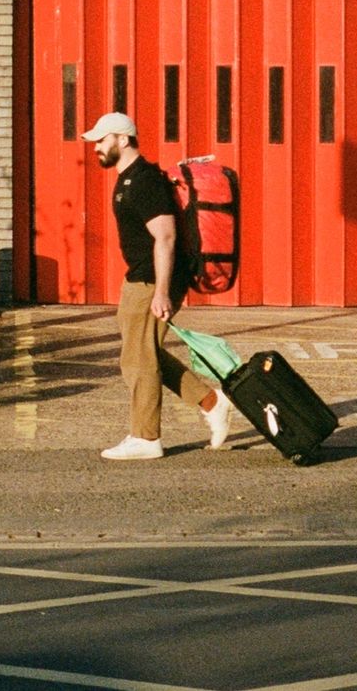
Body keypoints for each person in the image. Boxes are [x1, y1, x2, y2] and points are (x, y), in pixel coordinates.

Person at [81, 111, 233, 460]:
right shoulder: (129, 179)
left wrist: (162, 290)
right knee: (143, 355)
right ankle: (211, 402)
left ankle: (146, 438)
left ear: (123, 139)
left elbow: (165, 237)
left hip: (152, 280)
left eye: (102, 141)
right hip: (139, 276)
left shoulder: (146, 181)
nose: (96, 149)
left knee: (137, 361)